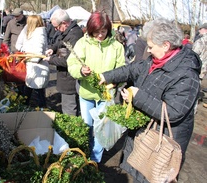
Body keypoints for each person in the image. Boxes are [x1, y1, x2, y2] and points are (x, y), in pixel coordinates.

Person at [98, 18, 201, 182]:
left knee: (154, 175)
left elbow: (173, 112)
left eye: (151, 47)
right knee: (141, 171)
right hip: (149, 134)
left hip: (164, 140)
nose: (148, 50)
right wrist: (107, 76)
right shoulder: (155, 61)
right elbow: (132, 69)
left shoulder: (186, 74)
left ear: (166, 45)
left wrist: (138, 96)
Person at [67, 11, 125, 163]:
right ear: (90, 30)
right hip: (86, 93)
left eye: (103, 32)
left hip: (106, 95)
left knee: (101, 129)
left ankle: (94, 160)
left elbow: (122, 69)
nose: (100, 35)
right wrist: (81, 71)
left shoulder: (117, 47)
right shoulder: (82, 44)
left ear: (108, 30)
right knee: (87, 125)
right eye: (96, 32)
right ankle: (84, 153)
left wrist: (114, 81)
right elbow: (72, 64)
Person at [43, 9, 83, 116]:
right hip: (65, 77)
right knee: (67, 106)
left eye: (57, 27)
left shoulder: (75, 35)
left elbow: (69, 61)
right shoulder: (68, 31)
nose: (56, 30)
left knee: (69, 109)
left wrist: (51, 60)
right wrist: (53, 48)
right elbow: (61, 42)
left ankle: (71, 131)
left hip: (69, 79)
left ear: (64, 23)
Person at [15, 15, 49, 108]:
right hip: (31, 66)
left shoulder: (40, 32)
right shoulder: (26, 30)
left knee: (38, 92)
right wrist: (25, 52)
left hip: (38, 67)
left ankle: (41, 112)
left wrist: (27, 56)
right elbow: (18, 44)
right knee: (29, 90)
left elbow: (37, 55)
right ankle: (24, 109)